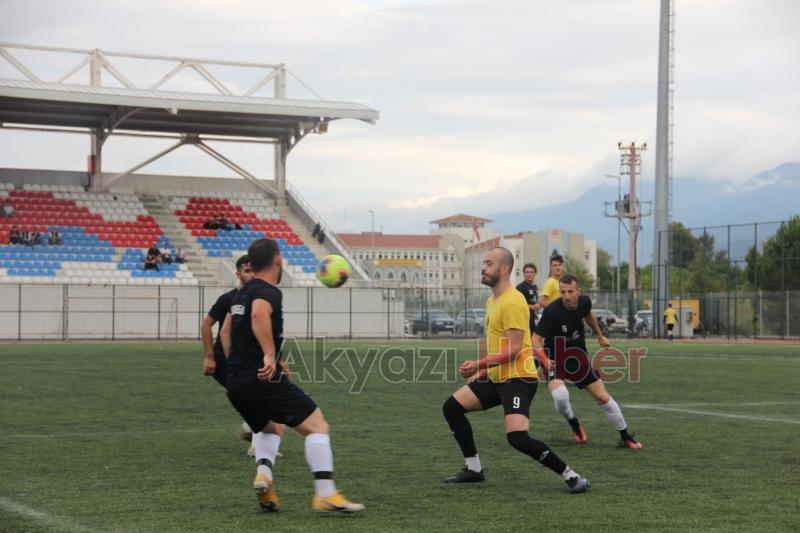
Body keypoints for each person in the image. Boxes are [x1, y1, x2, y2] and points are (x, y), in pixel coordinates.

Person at [219, 238, 364, 513]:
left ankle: (264, 477)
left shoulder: (240, 293)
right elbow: (260, 315)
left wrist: (240, 366)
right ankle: (325, 493)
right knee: (317, 426)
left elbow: (226, 332)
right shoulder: (268, 291)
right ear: (277, 261)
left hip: (236, 382)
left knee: (270, 428)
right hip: (262, 378)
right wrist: (269, 356)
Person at [441, 247, 590, 494]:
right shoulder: (493, 300)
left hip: (518, 379)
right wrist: (485, 371)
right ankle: (474, 469)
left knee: (517, 438)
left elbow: (514, 349)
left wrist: (479, 364)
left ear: (504, 269)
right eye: (483, 263)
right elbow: (500, 345)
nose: (483, 267)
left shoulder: (512, 301)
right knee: (452, 407)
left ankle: (571, 476)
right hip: (498, 376)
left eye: (488, 263)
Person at [533, 273, 643, 449]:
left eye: (570, 291)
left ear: (578, 291)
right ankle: (575, 425)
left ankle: (626, 436)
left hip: (578, 357)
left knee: (602, 396)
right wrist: (544, 360)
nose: (566, 296)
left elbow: (588, 315)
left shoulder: (584, 302)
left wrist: (600, 335)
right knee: (561, 397)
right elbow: (535, 339)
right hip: (554, 358)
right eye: (563, 292)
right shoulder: (552, 311)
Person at [202, 255, 278, 461]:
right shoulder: (229, 299)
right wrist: (210, 357)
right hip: (226, 362)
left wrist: (278, 358)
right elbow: (207, 325)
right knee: (258, 398)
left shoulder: (261, 299)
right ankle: (257, 445)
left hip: (248, 360)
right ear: (238, 274)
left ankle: (249, 429)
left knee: (260, 398)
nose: (251, 275)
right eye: (246, 271)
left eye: (254, 271)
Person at [515, 262, 540, 337]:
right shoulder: (520, 287)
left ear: (535, 273)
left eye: (531, 272)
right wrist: (531, 306)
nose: (529, 274)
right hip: (524, 320)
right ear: (523, 273)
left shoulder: (535, 287)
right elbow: (516, 304)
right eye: (527, 272)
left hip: (533, 318)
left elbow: (534, 301)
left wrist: (537, 307)